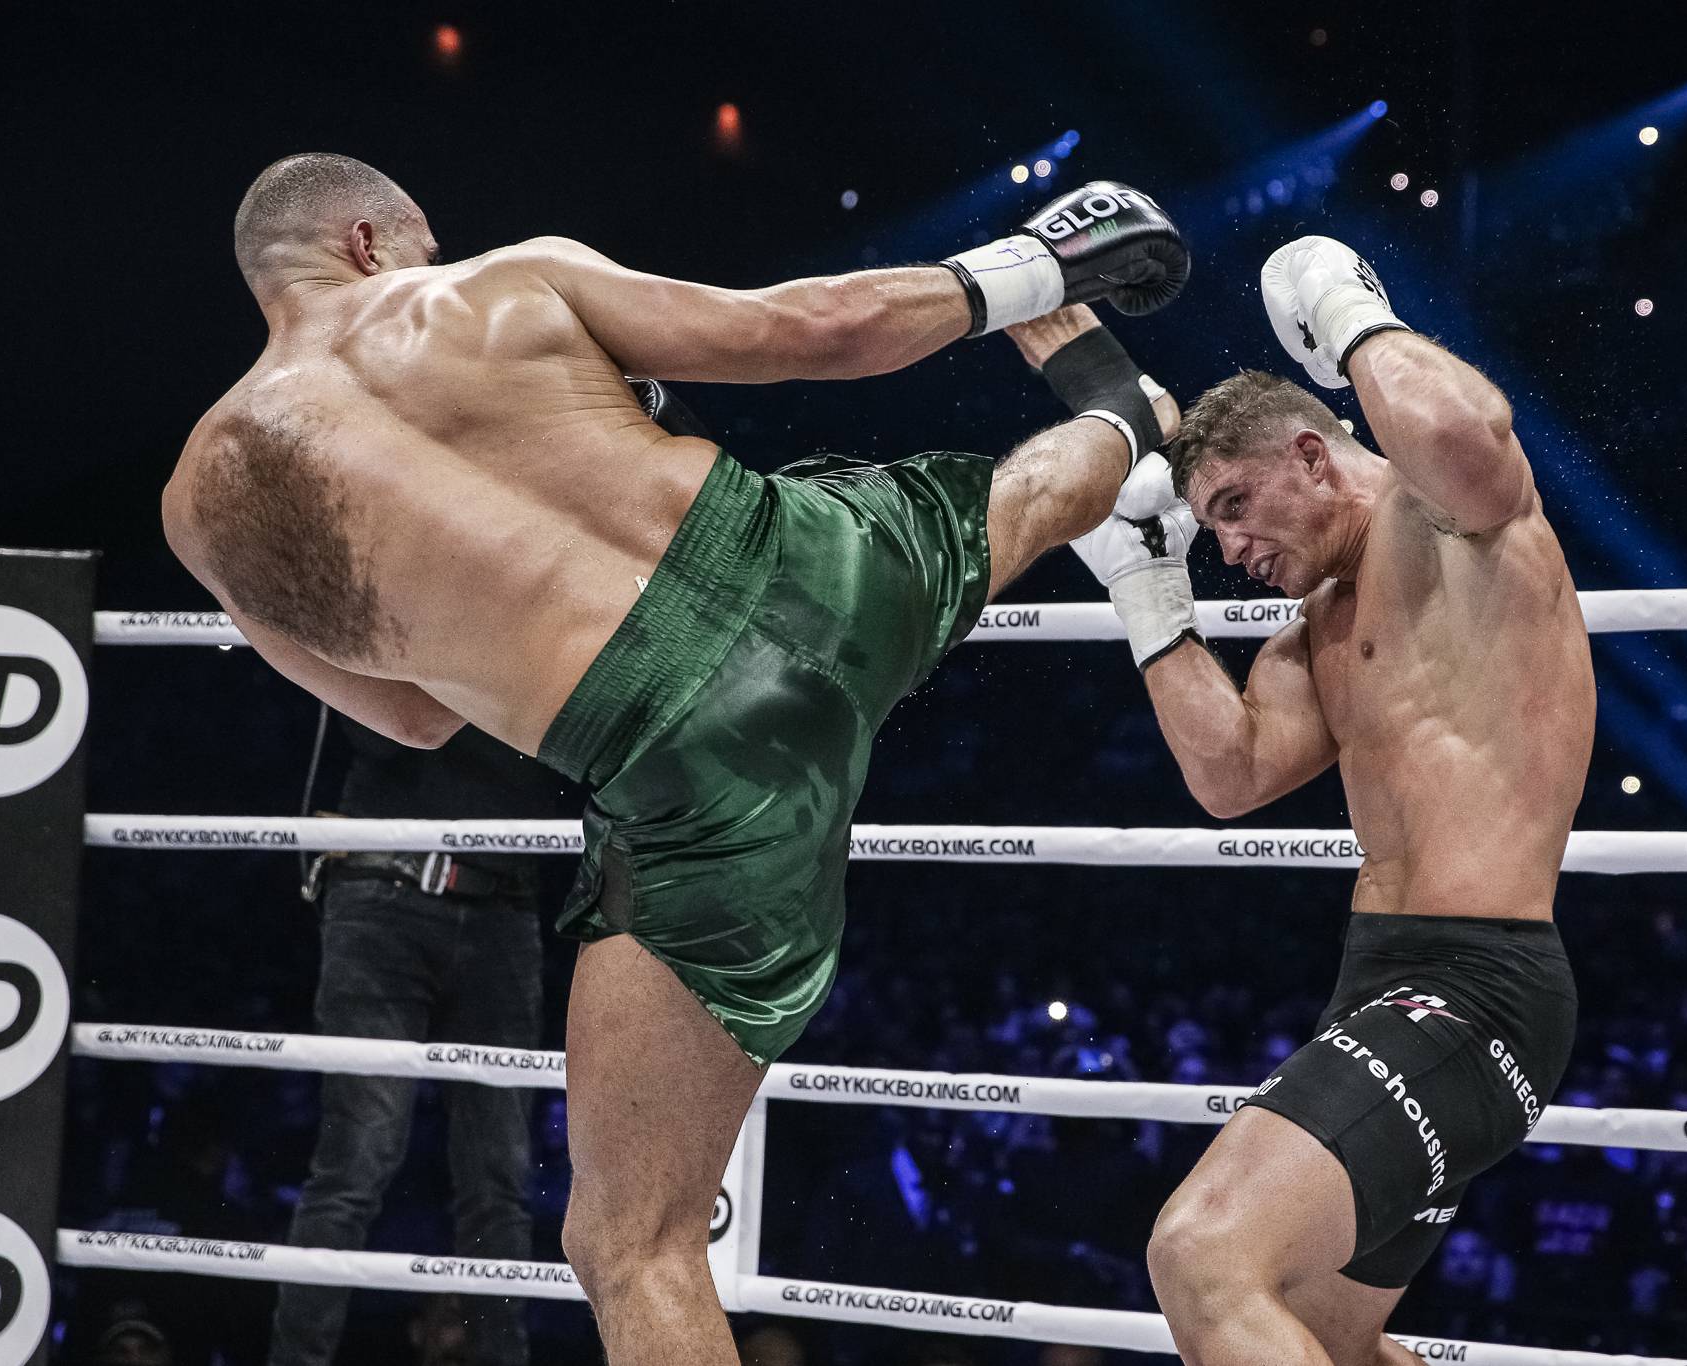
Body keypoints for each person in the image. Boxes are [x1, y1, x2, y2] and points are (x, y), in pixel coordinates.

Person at [162, 153, 1186, 1364]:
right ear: (370, 242)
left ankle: (1124, 431)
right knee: (994, 513)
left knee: (630, 1242)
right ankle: (1123, 410)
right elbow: (816, 329)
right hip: (811, 563)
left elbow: (415, 723)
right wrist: (1021, 273)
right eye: (425, 246)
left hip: (695, 772)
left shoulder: (205, 502)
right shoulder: (511, 283)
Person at [1054, 236, 1592, 1365]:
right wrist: (1148, 585)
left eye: (1235, 505)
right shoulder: (1316, 634)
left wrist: (1349, 318)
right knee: (1316, 1338)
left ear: (1311, 454)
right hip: (1378, 988)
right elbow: (1228, 775)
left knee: (1203, 1255)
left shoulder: (1452, 528)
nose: (1229, 546)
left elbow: (1469, 437)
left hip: (1476, 993)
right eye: (1210, 529)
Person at [270, 715, 576, 1366]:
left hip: (506, 908)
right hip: (383, 895)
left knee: (497, 1178)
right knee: (358, 1159)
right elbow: (386, 729)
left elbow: (570, 750)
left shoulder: (548, 643)